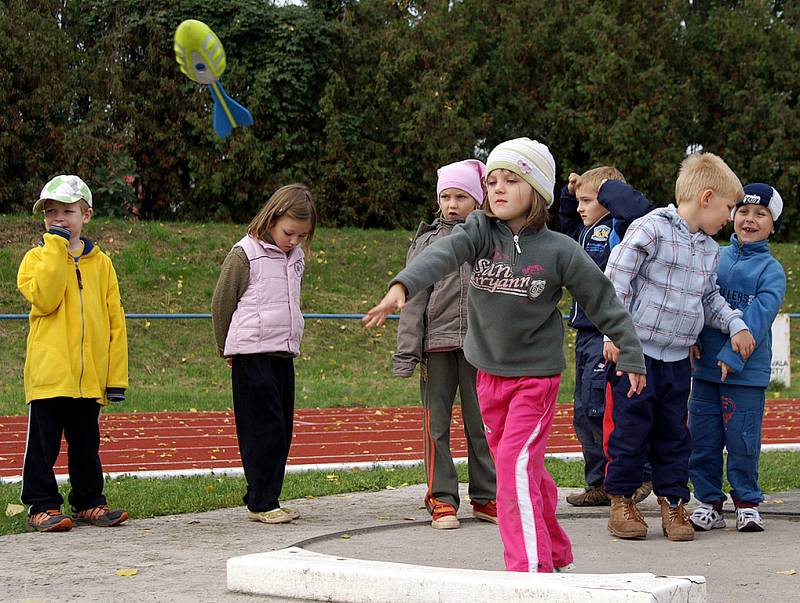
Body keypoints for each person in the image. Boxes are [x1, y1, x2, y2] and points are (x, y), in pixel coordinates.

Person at [365, 138, 646, 573]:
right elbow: (442, 254)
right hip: (487, 376)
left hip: (536, 378)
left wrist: (630, 355)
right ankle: (554, 548)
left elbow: (603, 301)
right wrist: (402, 286)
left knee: (512, 472)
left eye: (511, 179)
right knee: (524, 469)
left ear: (536, 190)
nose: (497, 188)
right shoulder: (478, 231)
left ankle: (529, 571)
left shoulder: (560, 250)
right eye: (492, 180)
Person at [603, 153, 756, 542]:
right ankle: (622, 499)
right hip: (636, 356)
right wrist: (614, 336)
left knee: (674, 434)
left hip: (675, 362)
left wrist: (735, 323)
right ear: (706, 197)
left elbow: (709, 299)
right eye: (728, 207)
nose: (729, 217)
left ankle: (673, 502)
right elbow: (615, 282)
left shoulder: (708, 249)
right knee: (632, 431)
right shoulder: (651, 229)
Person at [17, 175, 129, 533]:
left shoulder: (103, 264)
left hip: (89, 376)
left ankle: (89, 501)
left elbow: (115, 322)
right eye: (51, 212)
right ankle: (41, 504)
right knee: (43, 445)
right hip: (50, 374)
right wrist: (54, 249)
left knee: (86, 445)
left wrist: (115, 378)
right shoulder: (35, 260)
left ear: (87, 215)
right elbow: (46, 297)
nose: (59, 219)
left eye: (68, 211)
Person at [393, 159, 497, 530]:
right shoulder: (426, 244)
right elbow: (412, 301)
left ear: (478, 199)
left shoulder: (491, 240)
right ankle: (441, 498)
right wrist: (408, 351)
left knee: (482, 425)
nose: (452, 205)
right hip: (436, 348)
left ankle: (487, 497)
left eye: (462, 196)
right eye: (446, 197)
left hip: (480, 349)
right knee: (436, 425)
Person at [211, 184, 316, 524]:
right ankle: (261, 500)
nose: (294, 241)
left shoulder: (295, 257)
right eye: (289, 232)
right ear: (272, 218)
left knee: (282, 429)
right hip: (251, 352)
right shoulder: (245, 254)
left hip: (282, 353)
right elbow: (222, 301)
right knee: (263, 428)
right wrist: (225, 346)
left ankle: (269, 497)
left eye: (302, 235)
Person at [688, 183, 786, 533]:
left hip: (745, 375)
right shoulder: (715, 256)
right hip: (705, 372)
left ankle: (746, 502)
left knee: (743, 441)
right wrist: (691, 339)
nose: (750, 219)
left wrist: (733, 354)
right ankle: (709, 502)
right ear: (731, 215)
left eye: (761, 215)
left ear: (773, 225)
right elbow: (698, 301)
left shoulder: (771, 271)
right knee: (703, 440)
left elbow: (758, 317)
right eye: (744, 211)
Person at [558, 167, 653, 507]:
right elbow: (567, 228)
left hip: (608, 333)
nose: (581, 207)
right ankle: (597, 480)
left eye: (588, 201)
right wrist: (570, 197)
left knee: (604, 408)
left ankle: (638, 473)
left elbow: (634, 212)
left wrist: (611, 192)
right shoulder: (582, 233)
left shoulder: (620, 229)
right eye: (579, 201)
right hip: (584, 334)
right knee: (583, 412)